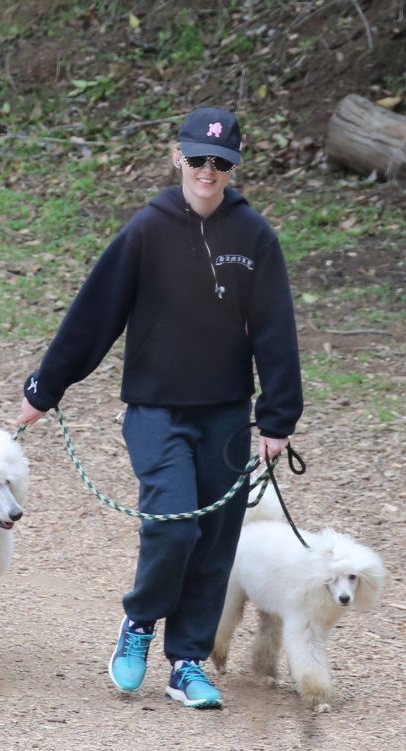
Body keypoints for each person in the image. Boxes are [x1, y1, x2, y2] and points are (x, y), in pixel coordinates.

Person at [17, 106, 303, 709]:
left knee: (214, 540)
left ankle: (188, 663)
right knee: (174, 526)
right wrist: (46, 388)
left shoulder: (254, 237)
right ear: (178, 156)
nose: (207, 170)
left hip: (226, 413)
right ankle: (141, 622)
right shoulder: (146, 230)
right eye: (197, 158)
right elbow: (95, 314)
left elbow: (275, 329)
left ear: (234, 168)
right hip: (155, 410)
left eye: (220, 162)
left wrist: (277, 420)